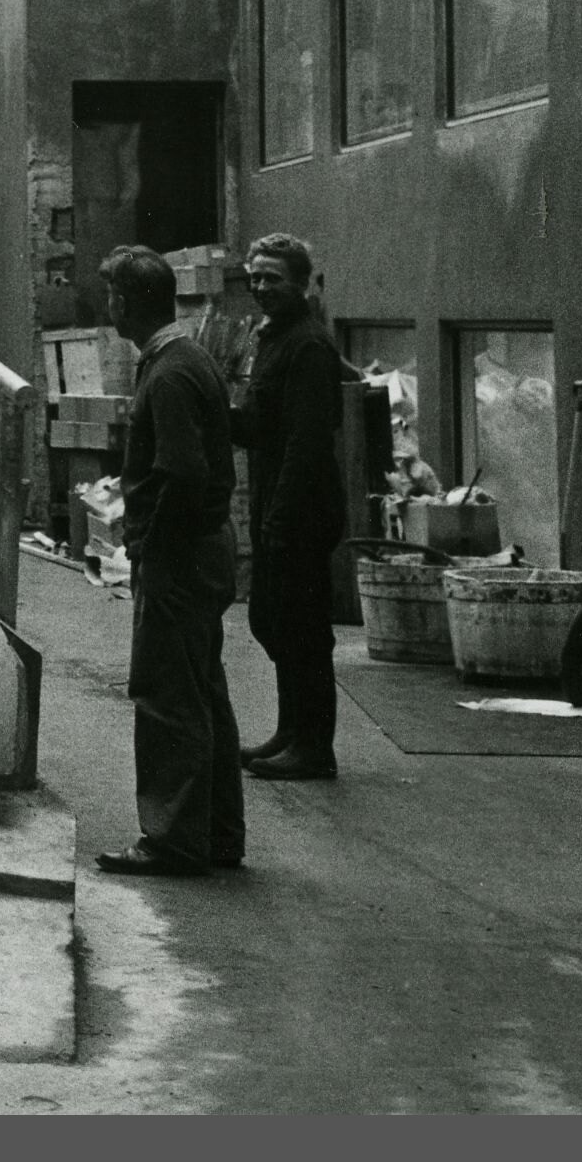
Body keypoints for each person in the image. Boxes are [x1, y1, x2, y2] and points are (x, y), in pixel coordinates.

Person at [93, 246, 245, 879]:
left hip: (180, 557)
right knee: (201, 690)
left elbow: (182, 472)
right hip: (201, 549)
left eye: (111, 296)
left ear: (125, 303)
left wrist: (150, 544)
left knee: (168, 697)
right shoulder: (183, 359)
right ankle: (216, 833)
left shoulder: (170, 373)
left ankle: (174, 840)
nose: (108, 306)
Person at [232, 232, 346, 781]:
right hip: (275, 504)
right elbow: (261, 426)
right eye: (254, 277)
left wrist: (279, 517)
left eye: (272, 278)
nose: (260, 286)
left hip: (300, 510)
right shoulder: (273, 338)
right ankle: (290, 730)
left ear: (299, 283)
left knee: (303, 630)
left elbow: (307, 442)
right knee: (273, 619)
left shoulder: (308, 346)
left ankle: (314, 747)